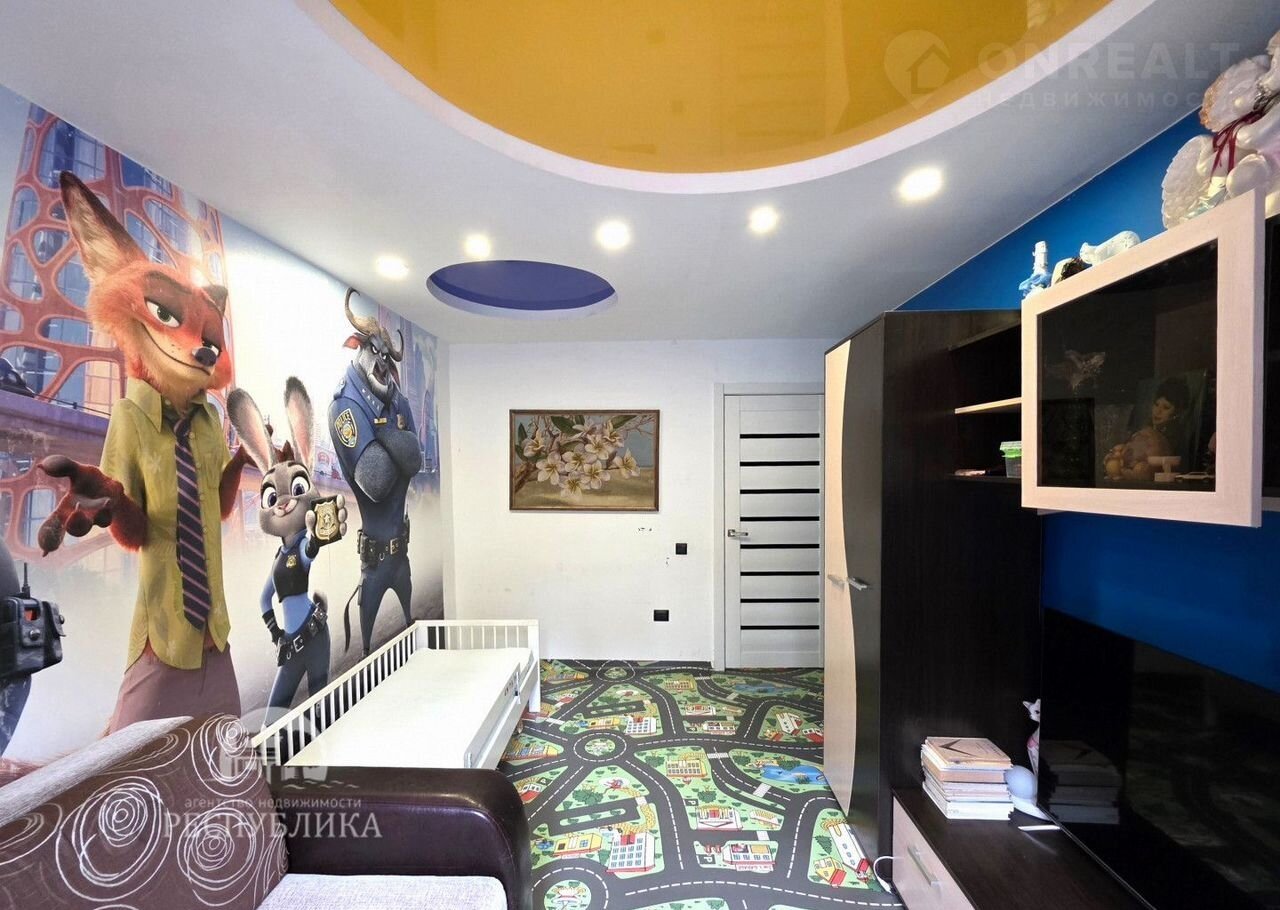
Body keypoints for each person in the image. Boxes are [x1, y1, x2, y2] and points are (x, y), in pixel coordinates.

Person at [1104, 377, 1191, 482]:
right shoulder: (1146, 428)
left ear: (1178, 412)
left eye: (1166, 407)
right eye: (1156, 404)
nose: (1158, 411)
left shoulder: (1174, 437)